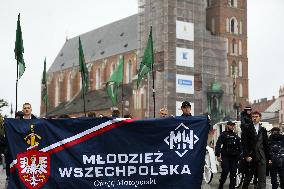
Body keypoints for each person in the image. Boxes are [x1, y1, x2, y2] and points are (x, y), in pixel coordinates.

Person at [241, 111, 272, 189]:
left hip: (262, 156)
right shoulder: (247, 128)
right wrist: (246, 155)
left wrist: (269, 158)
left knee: (262, 178)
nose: (254, 118)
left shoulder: (263, 130)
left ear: (260, 118)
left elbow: (266, 145)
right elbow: (244, 144)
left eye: (256, 116)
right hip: (251, 156)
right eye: (253, 116)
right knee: (248, 177)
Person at [215, 121, 242, 189]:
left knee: (233, 173)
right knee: (225, 171)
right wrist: (218, 155)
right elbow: (218, 144)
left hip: (234, 157)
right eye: (231, 125)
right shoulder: (223, 135)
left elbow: (240, 146)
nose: (232, 126)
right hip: (225, 156)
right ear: (227, 126)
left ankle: (232, 187)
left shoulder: (236, 136)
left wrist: (240, 155)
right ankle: (221, 184)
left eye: (233, 125)